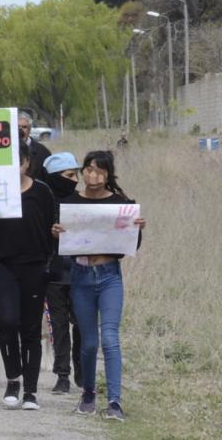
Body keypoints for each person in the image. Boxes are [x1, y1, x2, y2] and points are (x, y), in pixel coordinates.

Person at [53, 150, 145, 421]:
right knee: (89, 342)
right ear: (82, 173)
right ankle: (89, 393)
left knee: (110, 338)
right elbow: (61, 243)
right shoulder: (70, 202)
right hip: (81, 276)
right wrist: (55, 233)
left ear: (108, 174)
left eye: (99, 170)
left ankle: (115, 401)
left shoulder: (121, 203)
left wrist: (138, 228)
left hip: (109, 276)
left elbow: (131, 245)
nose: (93, 175)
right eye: (88, 170)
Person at [0, 141, 55, 411]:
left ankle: (30, 390)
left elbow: (53, 227)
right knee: (6, 322)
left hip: (33, 267)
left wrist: (52, 248)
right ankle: (12, 379)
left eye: (18, 161)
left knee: (31, 329)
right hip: (1, 266)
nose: (14, 167)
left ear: (27, 163)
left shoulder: (42, 192)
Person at [42, 152, 83, 393]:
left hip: (81, 271)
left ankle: (81, 369)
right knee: (58, 325)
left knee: (81, 324)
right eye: (69, 175)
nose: (75, 179)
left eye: (76, 174)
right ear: (56, 177)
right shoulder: (43, 204)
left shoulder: (81, 201)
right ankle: (63, 374)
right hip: (55, 272)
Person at [18, 111, 51, 180]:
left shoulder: (42, 152)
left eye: (24, 127)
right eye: (17, 127)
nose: (20, 130)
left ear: (29, 129)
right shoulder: (5, 151)